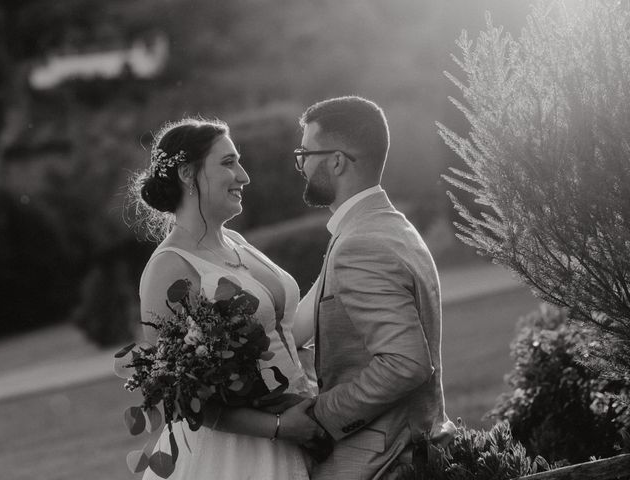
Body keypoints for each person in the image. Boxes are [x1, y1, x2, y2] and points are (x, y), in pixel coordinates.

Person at [132, 117, 321, 480]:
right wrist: (279, 426)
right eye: (228, 163)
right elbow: (177, 396)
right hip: (237, 458)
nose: (244, 176)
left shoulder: (236, 241)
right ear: (188, 174)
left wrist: (337, 270)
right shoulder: (168, 268)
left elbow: (283, 332)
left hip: (302, 423)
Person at [289, 96, 457, 479]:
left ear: (336, 161)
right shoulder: (390, 227)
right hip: (409, 445)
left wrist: (319, 414)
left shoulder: (359, 245)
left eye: (305, 153)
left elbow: (406, 363)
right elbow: (309, 320)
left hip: (379, 462)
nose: (300, 165)